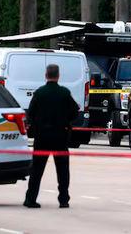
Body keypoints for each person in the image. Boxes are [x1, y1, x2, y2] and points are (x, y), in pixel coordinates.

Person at [24, 64, 80, 209]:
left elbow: (30, 113)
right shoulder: (64, 93)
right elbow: (75, 111)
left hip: (42, 136)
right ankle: (63, 199)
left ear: (46, 75)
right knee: (62, 170)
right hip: (60, 136)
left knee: (36, 170)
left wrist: (36, 125)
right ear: (58, 75)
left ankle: (30, 198)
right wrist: (66, 121)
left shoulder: (40, 93)